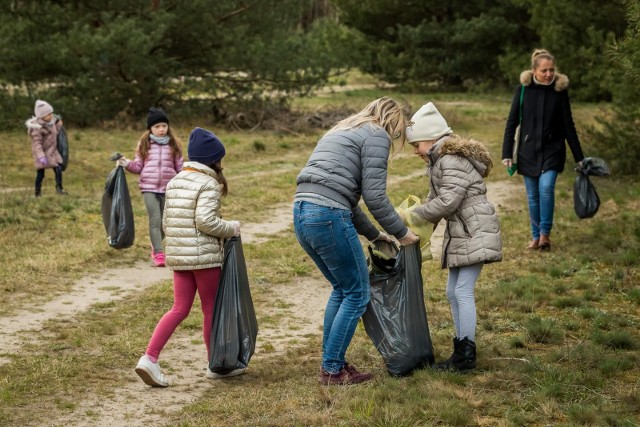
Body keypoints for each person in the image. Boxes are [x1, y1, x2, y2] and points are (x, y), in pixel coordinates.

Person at [293, 96, 420, 386]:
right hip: (327, 215)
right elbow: (374, 197)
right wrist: (402, 233)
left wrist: (375, 234)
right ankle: (332, 369)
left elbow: (347, 198)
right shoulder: (377, 134)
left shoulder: (340, 130)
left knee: (342, 288)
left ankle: (332, 363)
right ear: (392, 122)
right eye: (398, 131)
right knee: (357, 293)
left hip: (302, 212)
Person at [134, 127, 242, 387]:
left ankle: (149, 358)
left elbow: (166, 222)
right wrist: (231, 228)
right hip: (204, 258)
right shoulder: (208, 184)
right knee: (210, 311)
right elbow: (205, 221)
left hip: (179, 257)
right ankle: (214, 364)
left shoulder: (175, 180)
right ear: (213, 160)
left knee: (179, 308)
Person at [405, 102, 502, 372]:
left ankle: (466, 354)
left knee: (462, 291)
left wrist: (415, 215)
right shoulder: (439, 162)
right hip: (464, 232)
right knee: (453, 291)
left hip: (475, 232)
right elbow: (435, 201)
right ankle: (461, 349)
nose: (415, 151)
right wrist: (417, 231)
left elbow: (447, 202)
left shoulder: (451, 160)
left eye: (417, 145)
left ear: (432, 138)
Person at [501, 48, 585, 250]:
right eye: (544, 70)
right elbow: (511, 122)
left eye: (551, 70)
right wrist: (506, 153)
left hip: (553, 150)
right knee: (532, 195)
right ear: (534, 71)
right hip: (527, 150)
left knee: (546, 189)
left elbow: (568, 125)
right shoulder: (522, 91)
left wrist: (579, 157)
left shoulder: (559, 91)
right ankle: (535, 236)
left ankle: (545, 235)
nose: (549, 74)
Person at [116, 107, 184, 266]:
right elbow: (138, 167)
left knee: (165, 222)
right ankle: (159, 253)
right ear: (150, 129)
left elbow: (179, 167)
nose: (161, 130)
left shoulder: (174, 144)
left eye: (164, 126)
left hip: (169, 188)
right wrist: (126, 164)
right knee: (155, 219)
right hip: (149, 188)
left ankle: (156, 244)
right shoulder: (144, 144)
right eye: (157, 127)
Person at [26, 100, 67, 196]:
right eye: (48, 114)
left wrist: (59, 123)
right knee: (41, 173)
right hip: (42, 153)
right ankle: (37, 193)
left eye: (51, 113)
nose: (51, 116)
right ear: (41, 116)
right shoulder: (37, 128)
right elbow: (37, 144)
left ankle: (59, 189)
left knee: (58, 169)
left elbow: (55, 131)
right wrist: (41, 156)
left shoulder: (50, 122)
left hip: (52, 151)